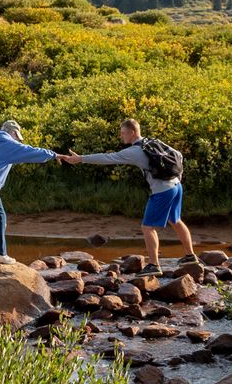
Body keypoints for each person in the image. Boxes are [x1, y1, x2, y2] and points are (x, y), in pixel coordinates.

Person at [58, 118, 196, 278]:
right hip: (176, 186)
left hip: (163, 191)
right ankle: (190, 256)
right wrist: (178, 177)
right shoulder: (153, 142)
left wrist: (81, 158)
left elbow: (108, 158)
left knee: (147, 227)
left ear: (132, 132)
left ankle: (154, 265)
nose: (121, 136)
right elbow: (178, 155)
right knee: (175, 220)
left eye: (123, 133)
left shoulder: (134, 152)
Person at [0, 119, 58, 265]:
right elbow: (31, 152)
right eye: (17, 137)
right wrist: (53, 155)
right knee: (0, 217)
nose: (18, 140)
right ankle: (0, 254)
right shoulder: (8, 143)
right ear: (13, 132)